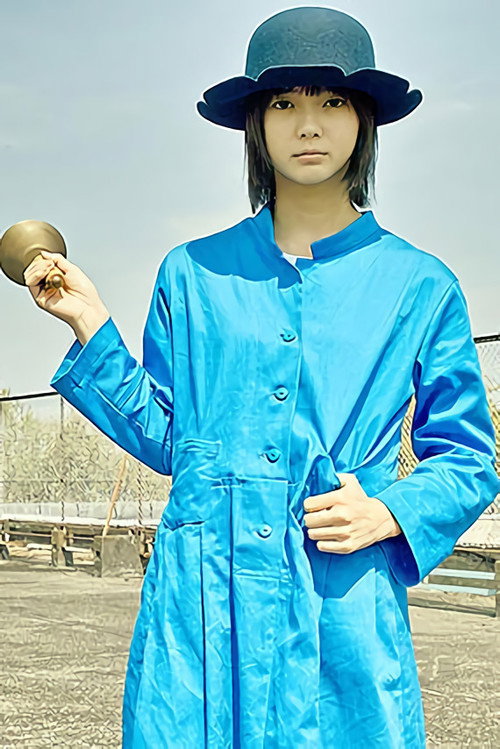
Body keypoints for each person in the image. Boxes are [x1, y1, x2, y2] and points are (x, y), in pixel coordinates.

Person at [24, 6, 499, 748]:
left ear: (364, 118)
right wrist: (90, 323)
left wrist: (389, 511)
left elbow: (469, 457)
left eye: (332, 101)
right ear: (256, 122)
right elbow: (174, 438)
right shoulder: (192, 272)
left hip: (339, 592)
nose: (308, 125)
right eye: (283, 104)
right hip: (203, 599)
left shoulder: (420, 284)